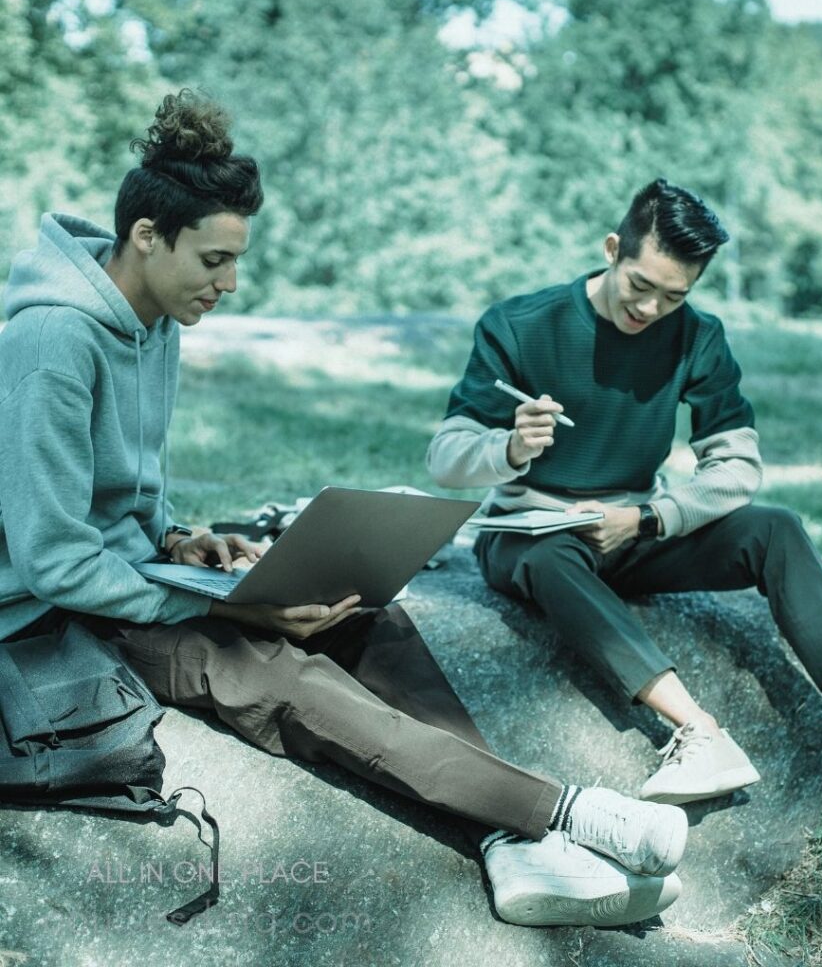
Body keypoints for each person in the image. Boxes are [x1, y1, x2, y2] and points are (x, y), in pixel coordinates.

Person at [0, 93, 690, 928]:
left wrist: (183, 539)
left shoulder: (157, 324)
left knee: (368, 617)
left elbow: (128, 493)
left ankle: (507, 844)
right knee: (272, 670)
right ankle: (567, 815)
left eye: (236, 260)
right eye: (214, 260)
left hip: (129, 575)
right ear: (147, 236)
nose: (229, 283)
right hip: (50, 614)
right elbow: (54, 560)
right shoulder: (53, 343)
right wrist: (228, 605)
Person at [427, 178, 822, 805]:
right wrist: (507, 449)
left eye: (673, 297)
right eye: (640, 286)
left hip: (635, 530)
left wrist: (647, 518)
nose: (649, 310)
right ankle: (698, 732)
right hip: (534, 537)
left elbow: (736, 469)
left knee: (775, 527)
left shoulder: (697, 336)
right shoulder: (520, 326)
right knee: (549, 556)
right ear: (614, 248)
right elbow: (445, 459)